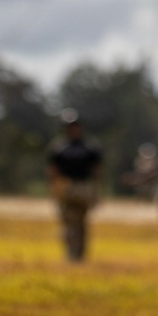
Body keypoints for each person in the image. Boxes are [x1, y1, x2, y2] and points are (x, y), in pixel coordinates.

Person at [46, 108, 102, 261]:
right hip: (69, 186)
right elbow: (53, 172)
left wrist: (96, 192)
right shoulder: (64, 148)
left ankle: (77, 255)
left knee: (78, 223)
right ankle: (74, 254)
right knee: (72, 223)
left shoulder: (63, 147)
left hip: (79, 187)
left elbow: (96, 172)